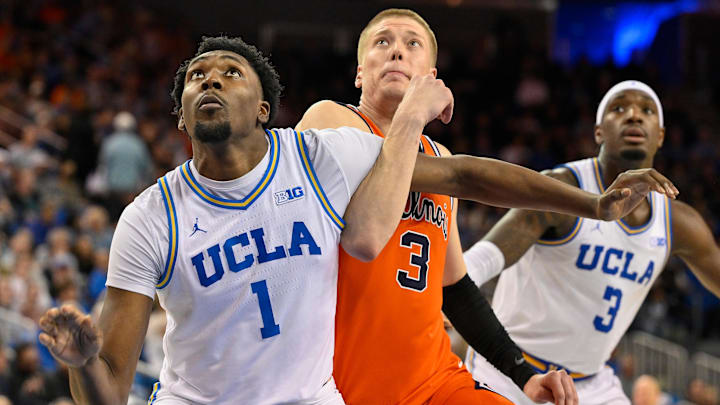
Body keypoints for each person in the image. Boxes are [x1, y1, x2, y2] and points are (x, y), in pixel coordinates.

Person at [38, 35, 673, 405]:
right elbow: (109, 390)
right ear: (180, 117)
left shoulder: (317, 159)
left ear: (263, 109)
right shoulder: (149, 218)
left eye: (230, 73)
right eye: (196, 77)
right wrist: (83, 360)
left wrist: (590, 204)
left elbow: (462, 176)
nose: (210, 80)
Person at [296, 9, 675, 405]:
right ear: (359, 73)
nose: (396, 52)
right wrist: (412, 111)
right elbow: (453, 182)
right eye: (382, 42)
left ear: (431, 75)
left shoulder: (436, 153)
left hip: (435, 379)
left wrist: (523, 373)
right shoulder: (330, 119)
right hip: (342, 384)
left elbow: (456, 289)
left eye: (412, 44)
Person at [463, 80, 719, 404]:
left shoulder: (678, 222)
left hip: (592, 384)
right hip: (509, 373)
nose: (634, 117)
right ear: (598, 131)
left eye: (646, 111)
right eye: (620, 108)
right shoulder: (562, 188)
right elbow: (479, 262)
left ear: (662, 135)